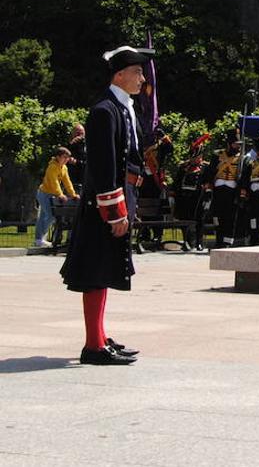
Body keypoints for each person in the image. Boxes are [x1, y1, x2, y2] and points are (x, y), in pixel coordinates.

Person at [60, 45, 153, 365]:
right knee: (96, 272)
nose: (142, 78)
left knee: (105, 269)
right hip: (106, 202)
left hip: (121, 196)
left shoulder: (124, 107)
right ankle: (92, 345)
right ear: (119, 75)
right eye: (137, 72)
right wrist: (114, 211)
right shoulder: (104, 110)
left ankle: (99, 338)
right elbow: (104, 165)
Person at [201, 132, 242, 248]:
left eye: (238, 144)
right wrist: (208, 188)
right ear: (229, 144)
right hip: (218, 190)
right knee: (217, 217)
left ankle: (228, 242)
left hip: (232, 190)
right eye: (235, 144)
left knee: (230, 218)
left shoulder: (241, 158)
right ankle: (218, 240)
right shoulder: (218, 155)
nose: (237, 147)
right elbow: (210, 173)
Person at [34, 147, 79, 248]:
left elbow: (67, 182)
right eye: (64, 157)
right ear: (58, 157)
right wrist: (60, 194)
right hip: (44, 194)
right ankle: (40, 239)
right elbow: (54, 182)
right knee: (51, 215)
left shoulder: (64, 167)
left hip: (52, 194)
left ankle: (38, 240)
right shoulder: (52, 167)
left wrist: (73, 194)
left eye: (68, 157)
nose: (67, 159)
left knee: (42, 218)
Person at [174, 133, 212, 250]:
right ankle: (187, 241)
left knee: (199, 220)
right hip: (184, 198)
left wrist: (207, 198)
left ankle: (199, 242)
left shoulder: (205, 168)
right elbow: (177, 183)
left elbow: (208, 183)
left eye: (196, 157)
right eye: (192, 157)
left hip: (198, 197)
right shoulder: (183, 167)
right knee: (184, 219)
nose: (194, 159)